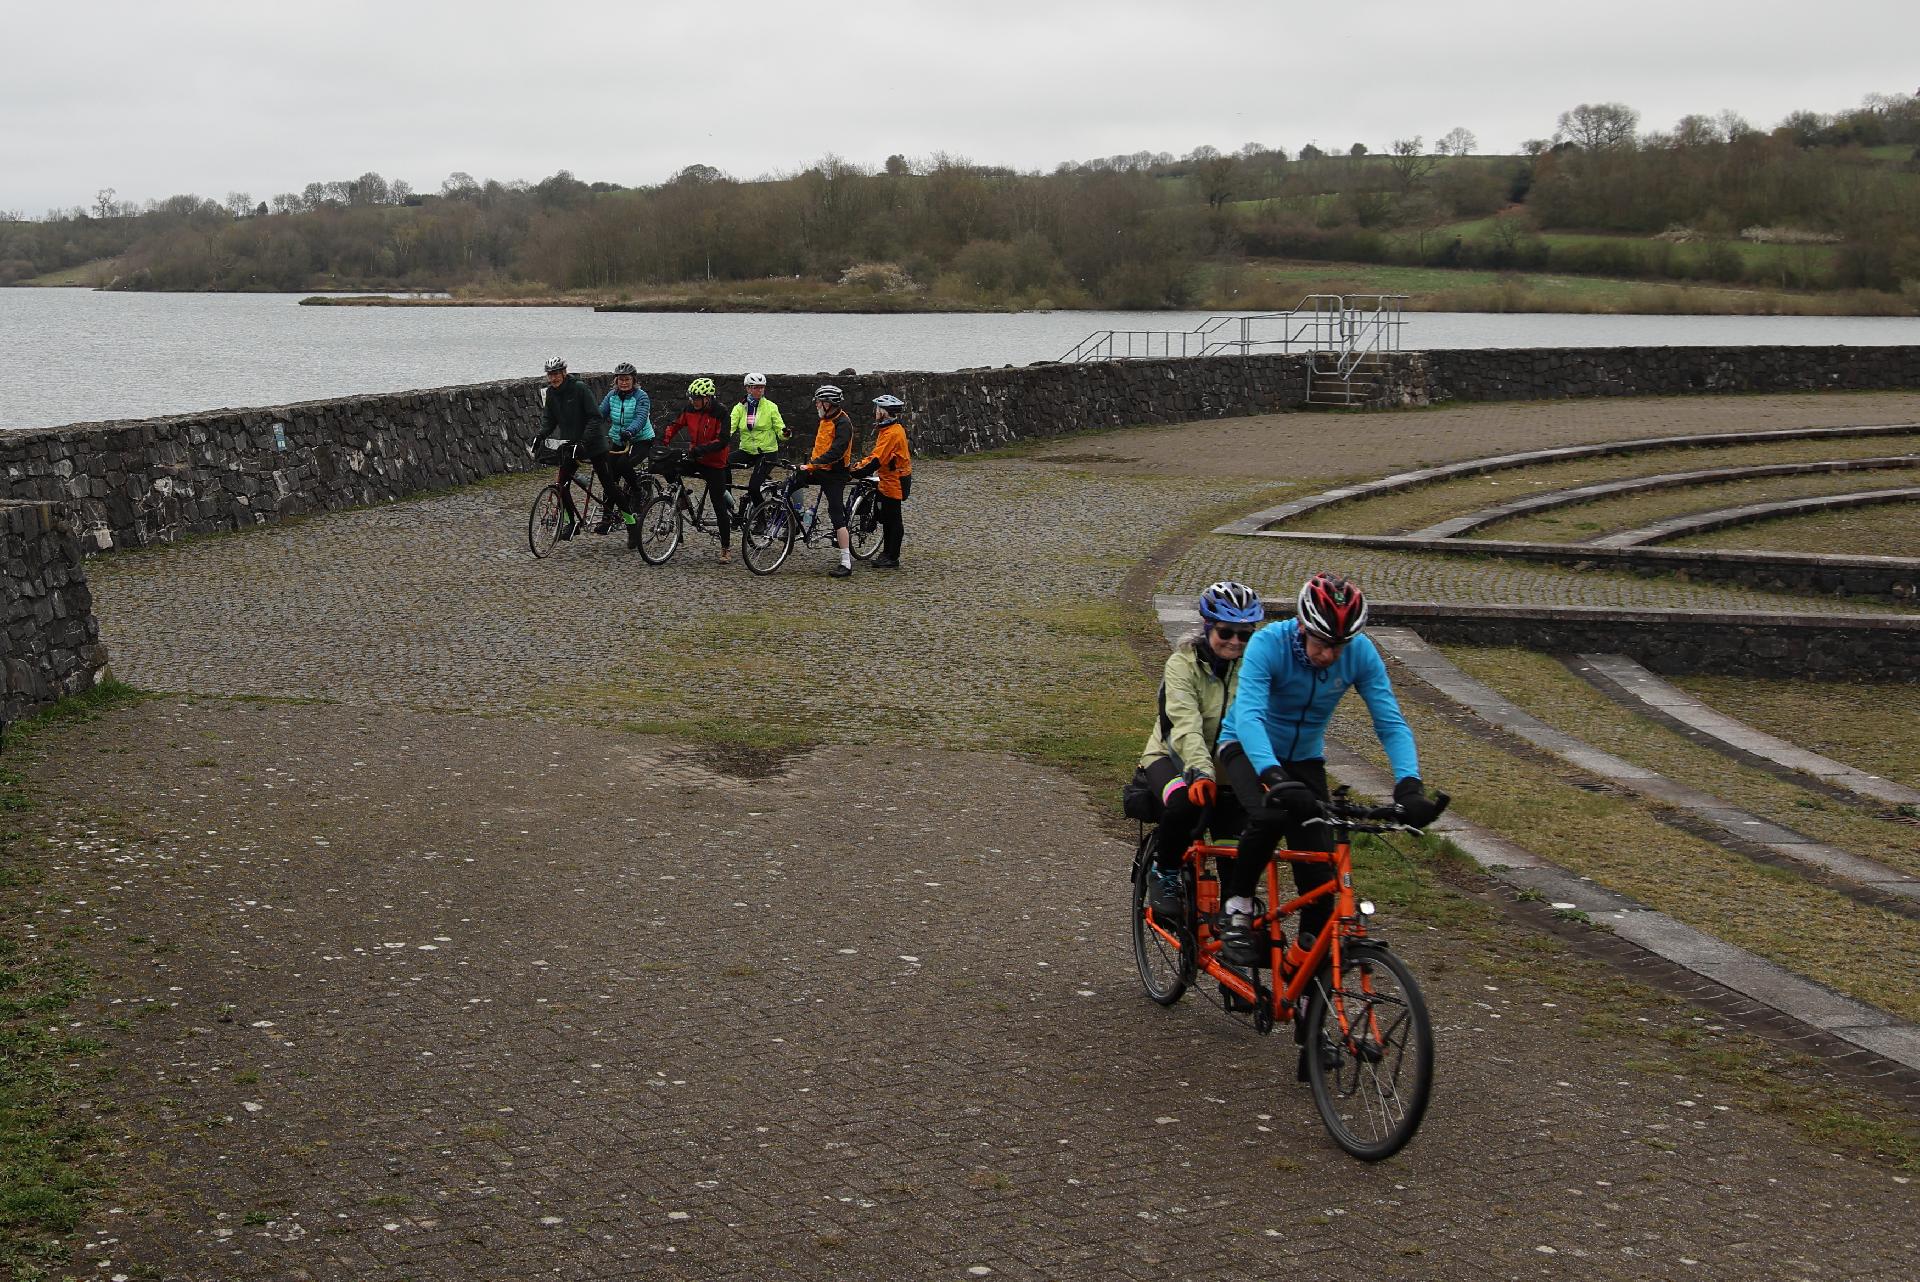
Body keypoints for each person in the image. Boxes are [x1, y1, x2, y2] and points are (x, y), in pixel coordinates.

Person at [1213, 572, 1444, 966]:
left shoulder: (1360, 653)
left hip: (1304, 758)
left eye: (1340, 645)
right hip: (1246, 747)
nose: (1330, 656)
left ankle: (1305, 975)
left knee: (1319, 880)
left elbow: (1389, 722)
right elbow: (1249, 716)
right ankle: (1237, 907)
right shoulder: (1269, 644)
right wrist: (1272, 775)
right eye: (1322, 644)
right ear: (1302, 627)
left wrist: (1409, 785)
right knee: (1271, 814)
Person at [1134, 582, 1263, 918]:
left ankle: (1233, 920)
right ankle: (1165, 873)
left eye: (1245, 634)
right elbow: (1184, 725)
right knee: (1183, 804)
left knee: (1238, 847)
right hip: (1171, 757)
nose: (1235, 641)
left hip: (1227, 769)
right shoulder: (1182, 665)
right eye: (1226, 631)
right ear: (1208, 627)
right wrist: (1201, 771)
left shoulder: (1254, 669)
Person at [785, 383, 855, 578]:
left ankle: (846, 562)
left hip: (835, 473)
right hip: (818, 468)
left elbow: (836, 452)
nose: (816, 405)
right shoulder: (825, 419)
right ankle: (788, 519)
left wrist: (812, 464)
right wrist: (809, 466)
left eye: (819, 402)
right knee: (790, 482)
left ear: (828, 404)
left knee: (836, 513)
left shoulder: (843, 423)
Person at [661, 377, 735, 562]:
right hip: (696, 457)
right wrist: (663, 443)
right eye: (691, 398)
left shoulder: (721, 412)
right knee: (667, 466)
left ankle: (726, 548)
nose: (693, 402)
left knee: (718, 504)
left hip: (715, 462)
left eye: (696, 398)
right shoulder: (689, 409)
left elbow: (723, 440)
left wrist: (703, 449)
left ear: (707, 398)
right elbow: (675, 425)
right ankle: (684, 499)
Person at [535, 357, 606, 540]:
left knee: (609, 485)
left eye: (556, 374)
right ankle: (572, 523)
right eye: (550, 375)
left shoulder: (579, 388)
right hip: (571, 445)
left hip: (593, 444)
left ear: (564, 373)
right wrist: (540, 436)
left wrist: (584, 441)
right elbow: (549, 420)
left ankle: (630, 522)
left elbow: (595, 417)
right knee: (561, 485)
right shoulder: (550, 393)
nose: (553, 378)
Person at [851, 393, 913, 569]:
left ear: (884, 412)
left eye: (878, 409)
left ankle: (892, 557)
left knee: (893, 519)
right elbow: (877, 456)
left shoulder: (891, 433)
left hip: (896, 479)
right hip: (889, 478)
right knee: (887, 517)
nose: (875, 412)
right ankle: (887, 553)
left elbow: (877, 458)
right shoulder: (889, 429)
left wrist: (857, 470)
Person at [598, 362, 653, 548]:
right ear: (616, 381)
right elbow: (600, 414)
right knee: (609, 477)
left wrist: (630, 431)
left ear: (634, 380)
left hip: (640, 440)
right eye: (621, 379)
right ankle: (607, 517)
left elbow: (640, 416)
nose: (624, 382)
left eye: (627, 379)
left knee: (623, 464)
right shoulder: (611, 396)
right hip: (618, 439)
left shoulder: (641, 396)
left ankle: (638, 491)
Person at [729, 373, 788, 511]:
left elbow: (780, 429)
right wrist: (719, 441)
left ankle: (760, 518)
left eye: (762, 388)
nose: (760, 390)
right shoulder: (739, 408)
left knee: (754, 488)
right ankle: (728, 500)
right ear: (748, 388)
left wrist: (785, 433)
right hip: (747, 451)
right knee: (722, 464)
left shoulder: (771, 407)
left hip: (767, 453)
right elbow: (729, 428)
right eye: (756, 387)